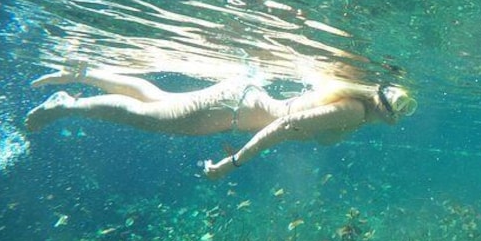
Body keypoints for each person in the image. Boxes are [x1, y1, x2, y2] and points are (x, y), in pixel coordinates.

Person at [25, 68, 417, 179]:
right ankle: (68, 105)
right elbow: (284, 128)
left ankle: (85, 74)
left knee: (156, 100)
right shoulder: (352, 112)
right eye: (401, 107)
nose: (401, 114)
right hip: (230, 111)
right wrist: (234, 163)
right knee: (147, 115)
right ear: (385, 108)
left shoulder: (358, 112)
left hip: (238, 102)